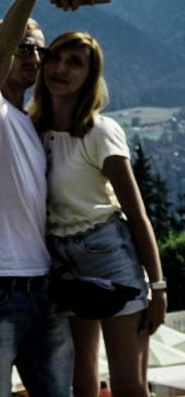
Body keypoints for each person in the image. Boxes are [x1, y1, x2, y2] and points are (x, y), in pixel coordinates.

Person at [0, 0, 95, 397]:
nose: (34, 58)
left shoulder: (30, 125)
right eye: (23, 48)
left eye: (40, 50)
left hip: (44, 291)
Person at [30, 31, 166, 397]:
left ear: (90, 76)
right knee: (79, 382)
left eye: (75, 63)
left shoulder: (100, 133)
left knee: (128, 386)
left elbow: (137, 216)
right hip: (59, 261)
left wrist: (158, 288)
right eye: (56, 57)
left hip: (109, 253)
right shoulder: (32, 130)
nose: (61, 68)